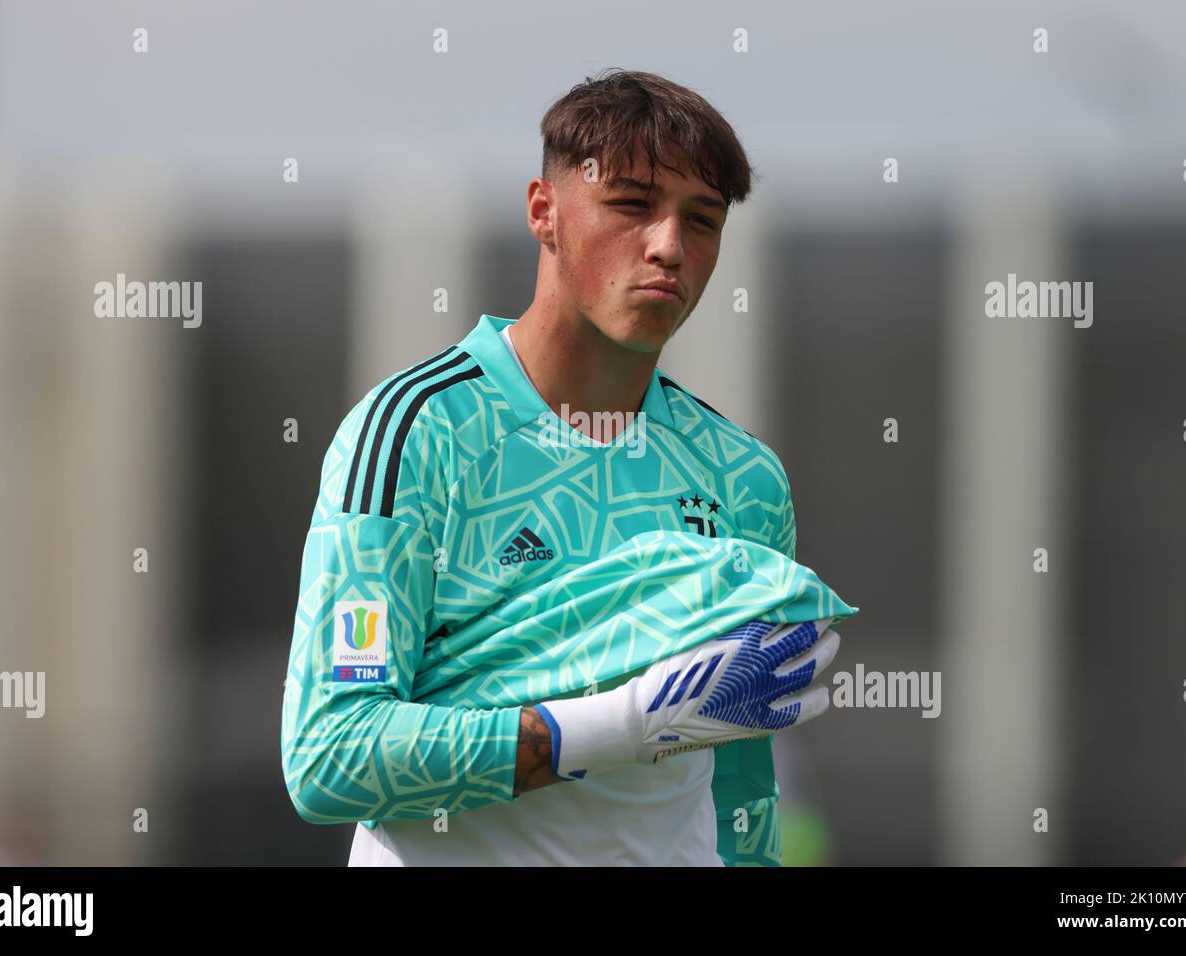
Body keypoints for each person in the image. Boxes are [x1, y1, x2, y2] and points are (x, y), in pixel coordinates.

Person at [281, 68, 844, 866]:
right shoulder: (416, 434)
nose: (669, 246)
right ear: (544, 211)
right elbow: (330, 754)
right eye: (632, 204)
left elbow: (743, 793)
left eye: (703, 219)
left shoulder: (743, 479)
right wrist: (626, 725)